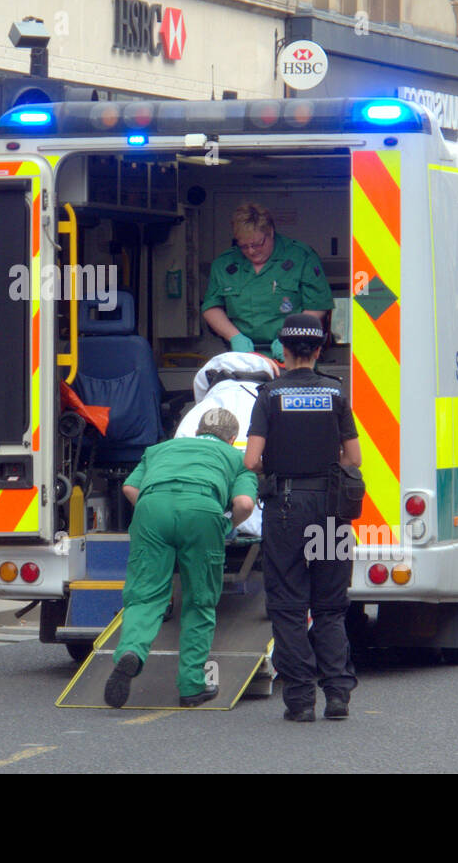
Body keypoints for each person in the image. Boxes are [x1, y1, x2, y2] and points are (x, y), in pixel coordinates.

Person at [244, 313, 361, 722]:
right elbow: (354, 458)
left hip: (288, 510)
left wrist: (275, 470)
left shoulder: (270, 395)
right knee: (330, 606)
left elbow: (251, 459)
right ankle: (339, 696)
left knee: (289, 606)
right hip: (331, 510)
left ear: (284, 349)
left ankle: (300, 700)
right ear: (318, 349)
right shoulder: (336, 392)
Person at [103, 408, 257, 709]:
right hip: (202, 511)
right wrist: (226, 525)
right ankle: (191, 686)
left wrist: (153, 507)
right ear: (232, 438)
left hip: (152, 508)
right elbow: (245, 504)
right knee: (199, 600)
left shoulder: (159, 449)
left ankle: (130, 653)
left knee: (145, 595)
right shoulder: (239, 459)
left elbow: (130, 487)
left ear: (198, 430)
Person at [201, 202, 333, 358]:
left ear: (270, 232)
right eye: (243, 246)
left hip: (293, 355)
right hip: (244, 356)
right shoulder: (224, 263)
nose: (251, 251)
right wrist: (234, 337)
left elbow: (318, 305)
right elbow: (211, 307)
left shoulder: (301, 256)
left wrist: (290, 337)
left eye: (257, 244)